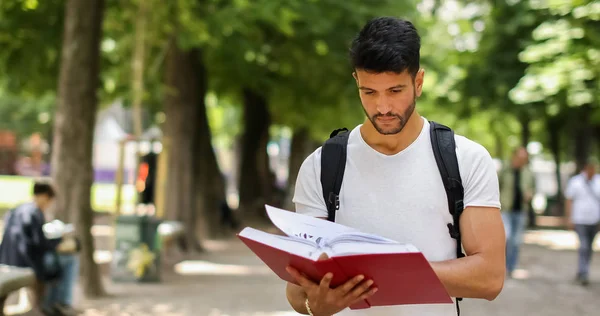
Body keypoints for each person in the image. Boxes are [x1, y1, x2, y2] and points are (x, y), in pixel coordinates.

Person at [285, 17, 505, 316]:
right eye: (369, 92)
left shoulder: (466, 159)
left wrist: (385, 272)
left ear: (418, 82)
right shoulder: (321, 166)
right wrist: (314, 305)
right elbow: (298, 289)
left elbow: (489, 277)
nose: (383, 107)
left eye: (395, 91)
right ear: (356, 82)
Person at [0, 182, 79, 315]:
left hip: (7, 259)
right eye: (49, 200)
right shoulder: (34, 213)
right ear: (43, 196)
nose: (48, 204)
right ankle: (59, 303)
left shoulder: (18, 209)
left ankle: (54, 303)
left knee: (59, 262)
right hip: (25, 262)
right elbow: (40, 244)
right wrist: (59, 240)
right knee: (69, 261)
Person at [499, 146, 535, 278]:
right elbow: (496, 187)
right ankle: (501, 265)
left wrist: (530, 194)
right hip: (505, 209)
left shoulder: (528, 173)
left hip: (520, 210)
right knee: (506, 237)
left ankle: (511, 267)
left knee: (516, 240)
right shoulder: (504, 170)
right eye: (520, 157)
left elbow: (532, 188)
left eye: (524, 158)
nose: (522, 160)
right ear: (514, 156)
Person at [564, 158, 600, 286]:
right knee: (584, 245)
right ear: (586, 168)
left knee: (589, 247)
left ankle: (582, 269)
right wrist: (569, 218)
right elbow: (569, 199)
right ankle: (584, 272)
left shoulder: (598, 181)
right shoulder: (576, 182)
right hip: (580, 219)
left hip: (594, 220)